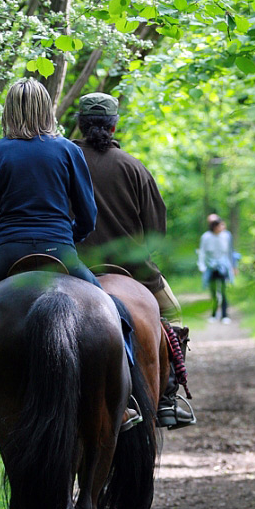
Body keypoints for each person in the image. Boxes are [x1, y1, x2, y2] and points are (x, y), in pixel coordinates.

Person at [0, 78, 140, 448]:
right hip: (62, 252)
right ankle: (124, 405)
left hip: (8, 253)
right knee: (116, 315)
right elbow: (88, 215)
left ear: (9, 112)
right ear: (48, 109)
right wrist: (68, 238)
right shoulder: (67, 151)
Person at [73, 92, 196, 429]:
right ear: (114, 125)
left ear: (80, 124)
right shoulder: (134, 167)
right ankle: (168, 397)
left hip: (72, 267)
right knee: (171, 314)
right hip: (133, 269)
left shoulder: (65, 161)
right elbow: (156, 232)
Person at [197, 214, 240, 323]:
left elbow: (230, 252)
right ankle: (214, 314)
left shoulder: (226, 236)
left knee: (224, 291)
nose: (222, 227)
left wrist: (234, 267)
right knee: (213, 292)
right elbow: (202, 252)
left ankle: (225, 315)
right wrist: (202, 266)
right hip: (211, 267)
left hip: (224, 267)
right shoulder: (206, 237)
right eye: (220, 226)